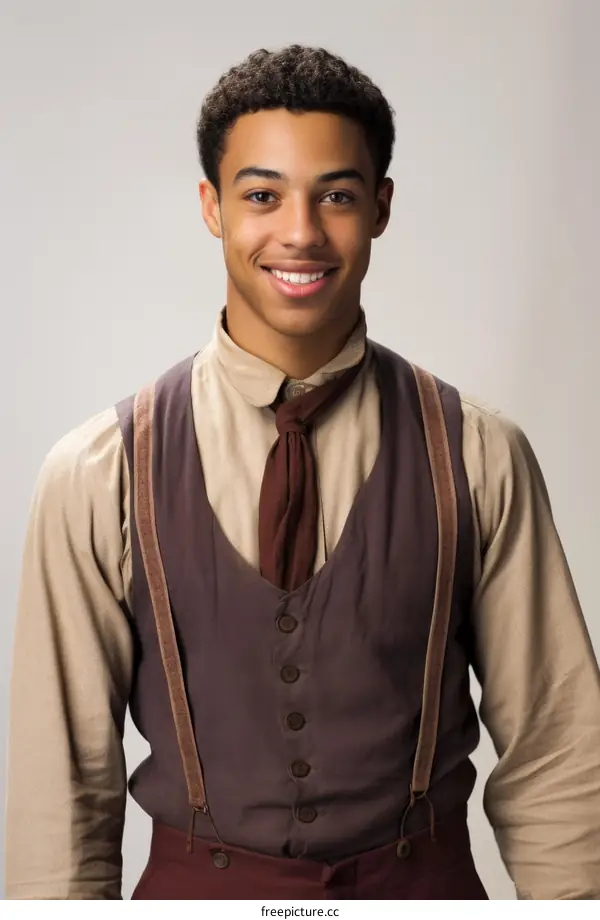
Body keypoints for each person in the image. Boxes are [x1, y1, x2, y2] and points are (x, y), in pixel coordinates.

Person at [5, 44, 600, 901]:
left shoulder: (476, 453)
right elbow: (58, 795)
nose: (300, 232)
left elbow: (557, 751)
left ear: (381, 207)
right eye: (262, 195)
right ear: (212, 207)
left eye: (337, 195)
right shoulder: (97, 475)